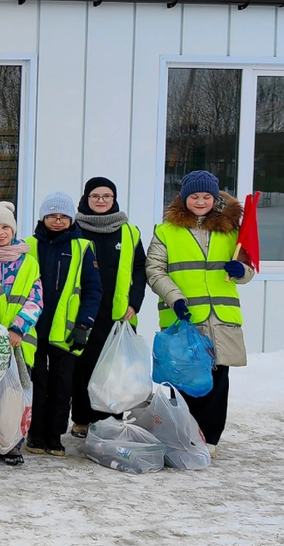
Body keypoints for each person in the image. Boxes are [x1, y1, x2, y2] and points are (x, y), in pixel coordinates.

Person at [146, 170, 253, 458]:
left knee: (217, 381)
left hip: (221, 319)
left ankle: (209, 439)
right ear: (184, 198)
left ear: (215, 198)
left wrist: (241, 271)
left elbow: (249, 268)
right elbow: (154, 271)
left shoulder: (231, 231)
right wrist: (174, 298)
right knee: (184, 379)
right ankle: (183, 434)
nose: (201, 201)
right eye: (194, 196)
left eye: (207, 196)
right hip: (184, 318)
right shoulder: (166, 231)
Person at [27, 192, 102, 457]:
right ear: (43, 218)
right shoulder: (28, 246)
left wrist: (84, 325)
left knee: (62, 386)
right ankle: (35, 433)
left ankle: (55, 436)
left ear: (71, 219)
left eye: (63, 217)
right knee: (37, 384)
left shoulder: (83, 247)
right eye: (52, 216)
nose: (57, 221)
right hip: (33, 330)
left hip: (67, 332)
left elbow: (93, 291)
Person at [71, 178, 146, 436]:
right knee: (83, 367)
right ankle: (82, 419)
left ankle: (112, 420)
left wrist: (134, 303)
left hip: (118, 315)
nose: (101, 200)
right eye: (95, 196)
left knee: (115, 369)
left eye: (107, 196)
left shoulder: (129, 232)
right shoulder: (74, 229)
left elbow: (140, 269)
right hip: (83, 312)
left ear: (114, 199)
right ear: (86, 199)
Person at [0, 201, 42, 466]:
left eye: (5, 227)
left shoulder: (29, 262)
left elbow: (35, 299)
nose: (0, 233)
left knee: (16, 394)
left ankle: (12, 443)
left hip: (20, 341)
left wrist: (17, 328)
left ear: (13, 229)